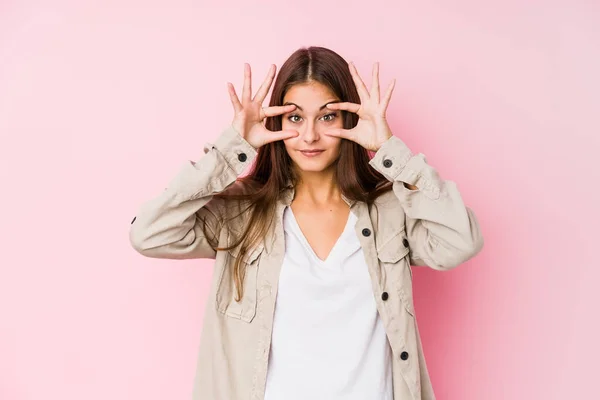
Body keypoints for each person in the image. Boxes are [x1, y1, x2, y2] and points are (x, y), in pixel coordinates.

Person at [129, 46, 484, 400]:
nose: (310, 136)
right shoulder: (241, 212)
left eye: (327, 116)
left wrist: (390, 150)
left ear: (349, 119)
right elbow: (149, 233)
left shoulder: (389, 208)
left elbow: (461, 241)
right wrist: (230, 152)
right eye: (295, 117)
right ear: (277, 122)